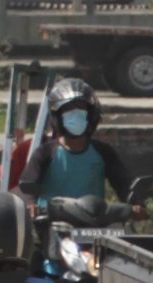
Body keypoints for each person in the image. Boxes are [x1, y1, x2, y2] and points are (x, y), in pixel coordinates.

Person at [16, 78, 143, 219]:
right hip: (53, 224)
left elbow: (122, 183)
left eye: (81, 108)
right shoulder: (45, 152)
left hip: (94, 225)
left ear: (91, 114)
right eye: (69, 109)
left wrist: (135, 203)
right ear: (58, 116)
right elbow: (27, 186)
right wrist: (30, 205)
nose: (75, 113)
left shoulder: (103, 152)